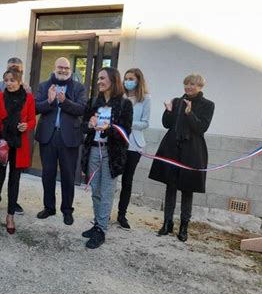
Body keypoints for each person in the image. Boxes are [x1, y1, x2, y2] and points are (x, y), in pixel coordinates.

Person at [149, 73, 214, 242]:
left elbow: (201, 128)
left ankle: (184, 227)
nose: (188, 87)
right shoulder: (177, 101)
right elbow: (167, 124)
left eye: (192, 84)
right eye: (186, 84)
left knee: (187, 189)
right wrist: (168, 111)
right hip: (172, 148)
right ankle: (167, 223)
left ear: (200, 86)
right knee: (170, 186)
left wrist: (190, 113)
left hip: (192, 151)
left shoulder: (208, 105)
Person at [81, 67, 133, 249]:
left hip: (111, 154)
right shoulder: (93, 101)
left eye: (102, 78)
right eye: (98, 79)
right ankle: (98, 223)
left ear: (113, 79)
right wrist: (90, 124)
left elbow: (126, 131)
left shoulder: (125, 105)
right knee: (95, 191)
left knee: (107, 192)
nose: (99, 82)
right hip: (94, 151)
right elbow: (84, 127)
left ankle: (101, 230)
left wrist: (108, 129)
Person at [0, 68, 36, 235]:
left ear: (19, 81)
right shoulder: (0, 96)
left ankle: (10, 216)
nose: (9, 83)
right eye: (6, 80)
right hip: (3, 144)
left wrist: (27, 125)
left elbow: (33, 119)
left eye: (12, 80)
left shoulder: (28, 98)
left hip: (19, 145)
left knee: (14, 180)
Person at [34, 57, 87, 225]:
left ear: (70, 69)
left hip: (69, 138)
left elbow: (82, 109)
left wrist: (64, 102)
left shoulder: (78, 88)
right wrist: (49, 101)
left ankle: (67, 210)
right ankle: (49, 207)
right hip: (48, 137)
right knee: (47, 174)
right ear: (54, 68)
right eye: (60, 67)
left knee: (68, 175)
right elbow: (35, 108)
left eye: (66, 67)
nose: (63, 70)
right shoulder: (44, 86)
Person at [0, 57, 29, 215]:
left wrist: (26, 125)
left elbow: (30, 114)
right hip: (2, 138)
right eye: (11, 69)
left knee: (15, 177)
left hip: (18, 140)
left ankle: (12, 207)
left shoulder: (27, 90)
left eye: (17, 69)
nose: (10, 82)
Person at [117, 68, 151, 230]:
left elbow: (145, 122)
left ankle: (121, 214)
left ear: (138, 80)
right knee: (111, 179)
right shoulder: (119, 97)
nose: (127, 81)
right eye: (126, 78)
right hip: (117, 143)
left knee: (127, 181)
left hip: (134, 144)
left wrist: (129, 123)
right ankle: (103, 212)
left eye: (131, 78)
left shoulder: (145, 99)